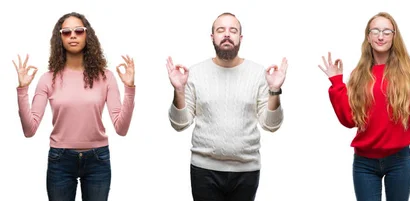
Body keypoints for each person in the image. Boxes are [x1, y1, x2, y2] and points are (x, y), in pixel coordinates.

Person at [318, 12, 410, 201]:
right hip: (364, 163)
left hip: (399, 160)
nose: (381, 36)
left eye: (387, 31)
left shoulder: (406, 72)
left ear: (394, 36)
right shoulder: (358, 75)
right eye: (376, 31)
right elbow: (349, 120)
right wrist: (337, 83)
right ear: (368, 37)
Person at [13, 12, 136, 201]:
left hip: (98, 160)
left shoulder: (106, 77)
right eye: (66, 32)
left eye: (79, 30)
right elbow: (29, 130)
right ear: (59, 38)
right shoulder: (47, 79)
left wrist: (129, 88)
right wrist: (22, 89)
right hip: (60, 160)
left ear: (87, 35)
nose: (73, 35)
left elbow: (122, 128)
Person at [166, 12, 287, 201]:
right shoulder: (195, 73)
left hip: (246, 170)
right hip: (204, 170)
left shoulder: (258, 74)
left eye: (233, 30)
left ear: (240, 37)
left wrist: (274, 90)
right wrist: (179, 90)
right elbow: (179, 124)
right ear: (212, 37)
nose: (227, 34)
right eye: (221, 30)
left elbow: (271, 125)